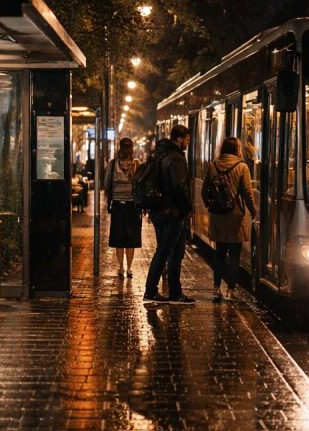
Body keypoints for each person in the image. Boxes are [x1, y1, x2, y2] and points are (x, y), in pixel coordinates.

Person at [144, 124, 194, 304]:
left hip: (159, 211)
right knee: (165, 252)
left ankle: (175, 293)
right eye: (187, 140)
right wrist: (187, 208)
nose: (188, 143)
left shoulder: (161, 155)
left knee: (175, 252)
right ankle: (151, 291)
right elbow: (179, 186)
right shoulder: (176, 158)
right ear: (179, 139)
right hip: (173, 212)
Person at [202, 137, 256, 301]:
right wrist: (253, 211)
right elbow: (247, 193)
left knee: (219, 253)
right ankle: (230, 290)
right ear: (237, 149)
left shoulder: (212, 165)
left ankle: (216, 288)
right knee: (234, 255)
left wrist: (212, 205)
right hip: (236, 216)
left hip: (218, 215)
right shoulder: (242, 167)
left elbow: (204, 191)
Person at [103, 136, 141, 278]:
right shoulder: (137, 164)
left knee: (119, 238)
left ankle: (121, 268)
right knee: (131, 239)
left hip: (118, 206)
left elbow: (106, 185)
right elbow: (141, 184)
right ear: (131, 149)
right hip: (133, 207)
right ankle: (129, 268)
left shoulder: (113, 164)